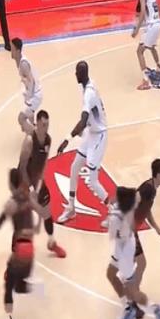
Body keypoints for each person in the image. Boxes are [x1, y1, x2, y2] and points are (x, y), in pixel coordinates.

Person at [0, 168, 46, 319]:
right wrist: (37, 226)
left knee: (9, 286)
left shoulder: (11, 204)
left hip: (19, 249)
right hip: (30, 248)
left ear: (10, 184)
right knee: (20, 285)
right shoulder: (29, 199)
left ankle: (9, 318)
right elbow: (44, 213)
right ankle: (38, 288)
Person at [106, 159, 160, 319]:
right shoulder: (148, 189)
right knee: (140, 263)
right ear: (158, 174)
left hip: (129, 234)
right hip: (129, 232)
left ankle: (133, 299)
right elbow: (136, 198)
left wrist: (156, 228)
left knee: (135, 265)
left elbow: (147, 210)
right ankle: (134, 300)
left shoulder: (152, 189)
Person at [56, 61, 112, 225]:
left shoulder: (89, 94)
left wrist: (67, 139)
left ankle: (113, 212)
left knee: (92, 180)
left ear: (82, 74)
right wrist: (86, 126)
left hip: (99, 135)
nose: (75, 74)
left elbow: (83, 120)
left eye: (77, 72)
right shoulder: (89, 84)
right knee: (75, 167)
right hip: (91, 132)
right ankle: (71, 207)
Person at [18, 110, 67, 258]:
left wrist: (39, 183)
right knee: (23, 219)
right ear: (37, 124)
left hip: (37, 181)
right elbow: (22, 167)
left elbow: (44, 163)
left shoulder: (48, 140)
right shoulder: (29, 141)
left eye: (47, 124)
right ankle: (17, 254)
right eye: (43, 124)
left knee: (46, 213)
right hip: (24, 181)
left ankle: (51, 243)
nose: (46, 127)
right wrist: (31, 189)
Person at [131, 0, 160, 91]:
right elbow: (156, 8)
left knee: (139, 51)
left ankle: (146, 81)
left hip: (151, 26)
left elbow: (143, 13)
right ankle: (159, 68)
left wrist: (136, 29)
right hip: (157, 23)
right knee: (152, 47)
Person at [11, 38, 43, 135]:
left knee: (21, 119)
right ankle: (34, 128)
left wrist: (29, 98)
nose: (10, 51)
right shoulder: (19, 61)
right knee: (28, 118)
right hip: (34, 93)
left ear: (18, 51)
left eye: (12, 48)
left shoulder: (23, 64)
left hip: (35, 95)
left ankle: (36, 137)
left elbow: (31, 81)